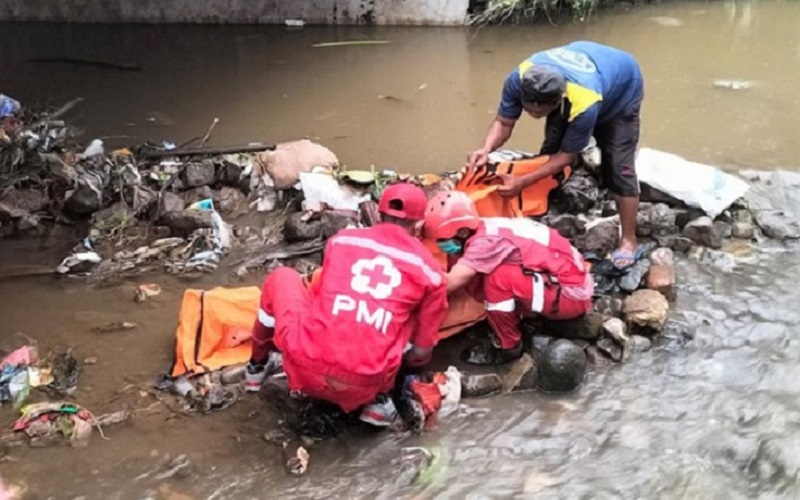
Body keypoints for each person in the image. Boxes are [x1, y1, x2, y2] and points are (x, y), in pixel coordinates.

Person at [244, 183, 449, 427]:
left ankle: (256, 368)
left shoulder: (341, 242)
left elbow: (324, 295)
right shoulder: (431, 272)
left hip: (304, 365)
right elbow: (421, 353)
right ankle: (380, 401)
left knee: (282, 278)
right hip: (367, 383)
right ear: (418, 225)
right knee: (410, 315)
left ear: (378, 214)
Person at [468, 41, 644, 268]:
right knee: (551, 148)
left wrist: (521, 181)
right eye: (528, 108)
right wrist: (486, 149)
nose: (532, 114)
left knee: (619, 167)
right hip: (587, 70)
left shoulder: (584, 101)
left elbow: (566, 156)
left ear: (557, 101)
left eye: (539, 112)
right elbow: (503, 121)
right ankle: (548, 201)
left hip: (622, 87)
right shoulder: (518, 79)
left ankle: (629, 239)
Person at [425, 191, 593, 365]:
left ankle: (509, 346)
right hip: (567, 280)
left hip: (570, 295)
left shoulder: (484, 243)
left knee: (498, 279)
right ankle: (524, 316)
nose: (439, 245)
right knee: (495, 274)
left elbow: (449, 284)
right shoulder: (486, 227)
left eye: (442, 239)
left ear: (462, 231)